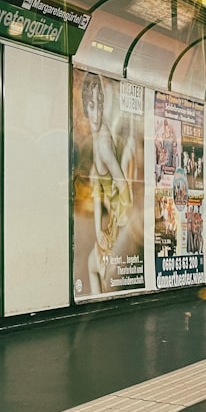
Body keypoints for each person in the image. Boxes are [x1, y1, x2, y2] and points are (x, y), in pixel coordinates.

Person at [82, 72, 134, 294]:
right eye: (92, 105)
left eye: (99, 104)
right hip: (111, 232)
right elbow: (96, 193)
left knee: (98, 270)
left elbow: (123, 187)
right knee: (94, 267)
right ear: (85, 106)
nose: (96, 114)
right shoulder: (97, 139)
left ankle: (97, 306)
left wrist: (116, 228)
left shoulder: (102, 143)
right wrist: (98, 232)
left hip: (115, 231)